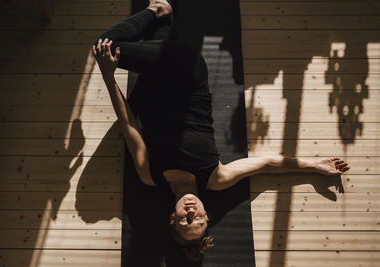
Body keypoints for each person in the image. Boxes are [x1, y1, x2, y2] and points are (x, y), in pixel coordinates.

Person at [92, 0, 350, 260]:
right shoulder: (217, 178)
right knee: (104, 45)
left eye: (185, 221)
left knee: (131, 47)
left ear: (172, 218)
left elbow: (128, 125)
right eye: (199, 221)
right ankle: (157, 10)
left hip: (153, 87)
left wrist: (108, 75)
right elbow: (268, 164)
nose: (191, 213)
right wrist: (315, 166)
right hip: (188, 73)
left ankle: (162, 14)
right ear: (207, 216)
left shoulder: (150, 176)